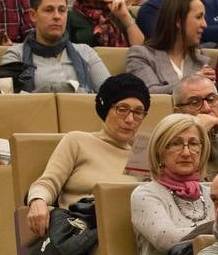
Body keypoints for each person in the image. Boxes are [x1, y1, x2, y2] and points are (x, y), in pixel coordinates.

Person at [25, 73, 148, 244]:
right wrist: (37, 200)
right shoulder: (77, 141)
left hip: (133, 233)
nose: (130, 119)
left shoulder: (143, 153)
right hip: (85, 233)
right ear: (105, 109)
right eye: (122, 109)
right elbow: (48, 182)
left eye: (138, 112)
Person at [130, 113, 211, 255]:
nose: (186, 152)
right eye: (175, 143)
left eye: (193, 143)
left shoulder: (214, 191)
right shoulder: (146, 193)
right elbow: (168, 239)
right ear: (159, 152)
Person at [4, 0, 107, 93]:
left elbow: (112, 94)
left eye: (62, 10)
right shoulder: (16, 55)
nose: (57, 16)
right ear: (33, 15)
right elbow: (8, 101)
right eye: (49, 10)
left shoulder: (86, 52)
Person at [126, 0, 211, 94]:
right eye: (199, 17)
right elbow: (149, 93)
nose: (205, 24)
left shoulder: (200, 58)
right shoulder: (141, 55)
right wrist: (194, 81)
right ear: (178, 21)